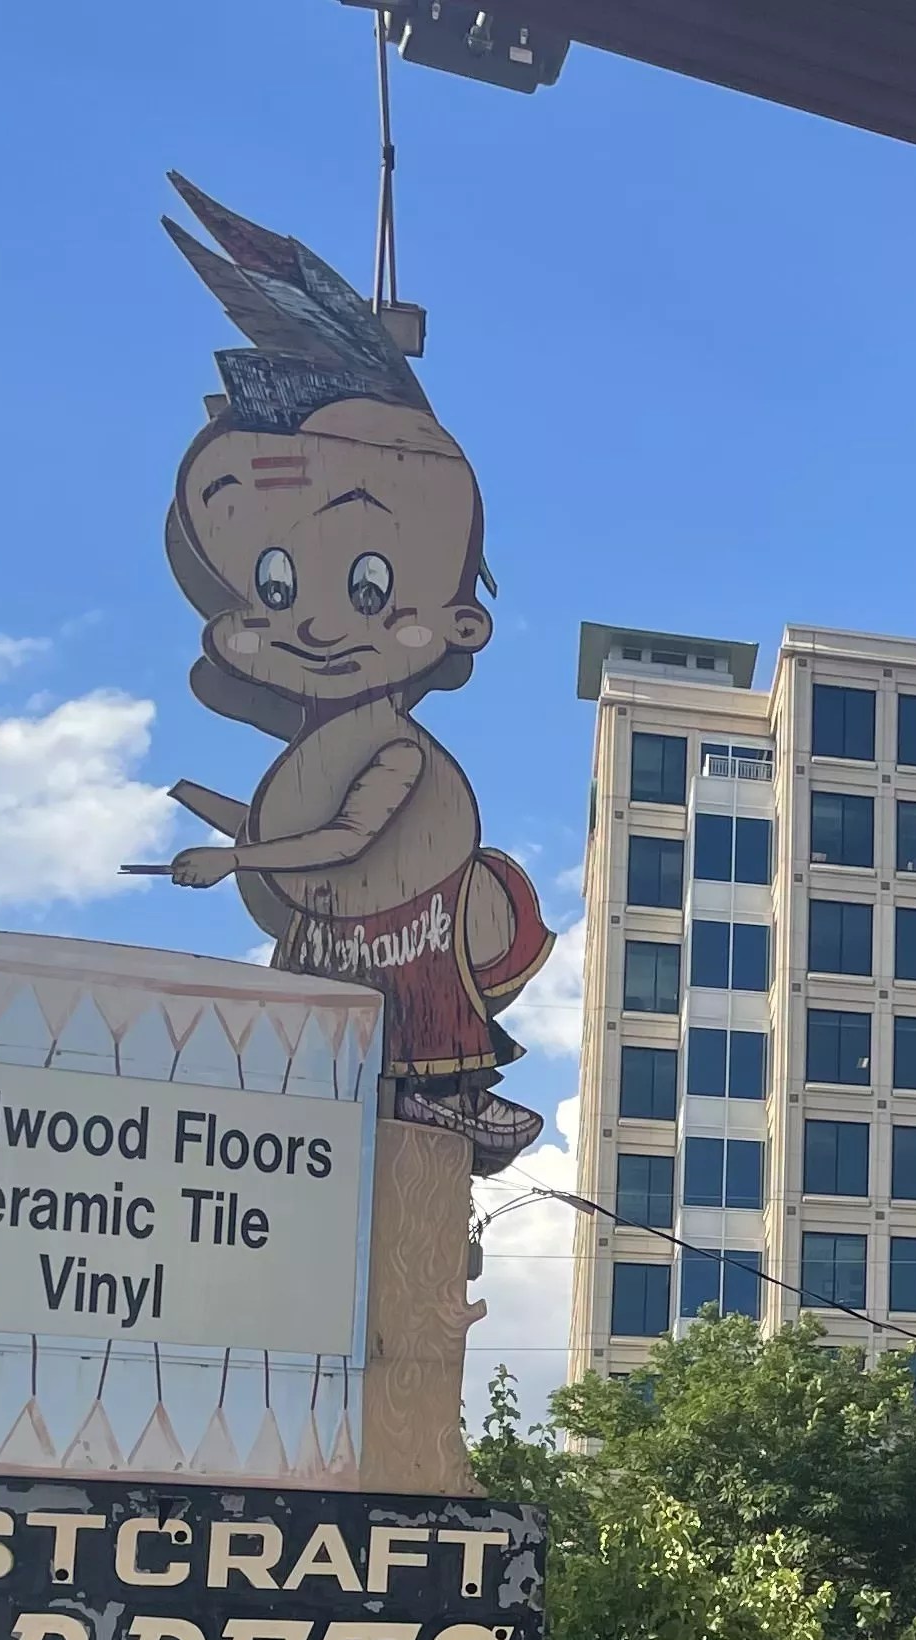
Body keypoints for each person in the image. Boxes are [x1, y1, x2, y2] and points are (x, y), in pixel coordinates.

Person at [157, 176, 551, 1176]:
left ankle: (448, 1101)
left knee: (397, 1075)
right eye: (272, 587)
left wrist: (236, 860)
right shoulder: (326, 743)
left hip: (400, 948)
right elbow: (294, 829)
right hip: (327, 951)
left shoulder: (395, 753)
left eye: (370, 586)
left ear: (460, 624)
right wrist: (216, 818)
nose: (317, 622)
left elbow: (344, 837)